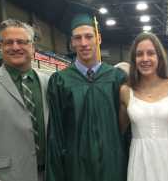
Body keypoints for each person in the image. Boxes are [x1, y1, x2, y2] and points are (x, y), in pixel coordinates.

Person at [46, 13, 127, 181]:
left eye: (89, 36)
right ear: (72, 42)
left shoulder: (117, 78)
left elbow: (127, 130)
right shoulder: (60, 81)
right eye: (78, 38)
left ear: (98, 39)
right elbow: (55, 135)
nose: (83, 43)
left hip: (112, 165)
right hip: (76, 168)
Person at [119, 32, 168, 181]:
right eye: (139, 54)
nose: (145, 59)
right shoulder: (125, 91)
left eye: (151, 53)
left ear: (159, 57)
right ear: (134, 60)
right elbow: (120, 130)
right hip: (140, 160)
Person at [0, 19, 49, 181]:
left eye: (21, 42)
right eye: (9, 42)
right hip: (6, 176)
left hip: (50, 174)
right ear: (1, 47)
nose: (15, 47)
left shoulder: (48, 82)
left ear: (32, 47)